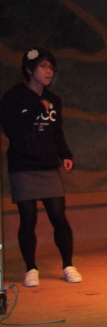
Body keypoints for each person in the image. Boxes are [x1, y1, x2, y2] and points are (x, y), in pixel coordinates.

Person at [0, 48, 82, 287]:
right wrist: (36, 108)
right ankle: (31, 268)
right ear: (29, 68)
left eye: (51, 68)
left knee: (58, 216)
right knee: (28, 218)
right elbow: (12, 130)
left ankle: (68, 265)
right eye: (44, 66)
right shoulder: (13, 97)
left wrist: (65, 154)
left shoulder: (54, 99)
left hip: (48, 165)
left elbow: (57, 133)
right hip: (23, 165)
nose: (49, 72)